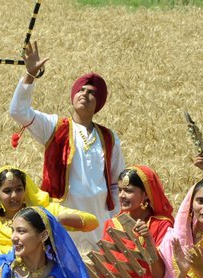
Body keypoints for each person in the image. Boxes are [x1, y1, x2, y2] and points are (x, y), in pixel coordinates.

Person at [9, 40, 125, 250]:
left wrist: (113, 217)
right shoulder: (54, 127)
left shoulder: (109, 137)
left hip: (99, 219)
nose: (85, 95)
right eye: (81, 90)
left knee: (98, 277)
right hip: (63, 217)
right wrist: (30, 75)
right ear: (73, 96)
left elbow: (118, 184)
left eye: (92, 93)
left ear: (98, 103)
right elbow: (18, 111)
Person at [0, 166, 99, 266]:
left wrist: (55, 220)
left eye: (19, 189)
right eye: (7, 191)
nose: (14, 195)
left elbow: (92, 222)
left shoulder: (44, 213)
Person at [101, 165, 174, 278]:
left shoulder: (161, 225)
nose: (121, 196)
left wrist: (148, 240)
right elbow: (107, 274)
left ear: (146, 194)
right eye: (120, 190)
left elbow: (158, 275)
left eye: (128, 190)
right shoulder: (112, 225)